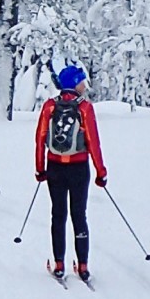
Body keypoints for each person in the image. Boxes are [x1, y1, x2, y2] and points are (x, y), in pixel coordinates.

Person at [34, 62, 106, 281]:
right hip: (79, 168)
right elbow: (93, 142)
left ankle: (58, 264)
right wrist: (100, 171)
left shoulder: (49, 106)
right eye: (81, 81)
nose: (84, 84)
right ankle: (83, 266)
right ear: (75, 84)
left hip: (55, 167)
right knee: (79, 215)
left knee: (58, 215)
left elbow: (40, 139)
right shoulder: (84, 107)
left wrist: (40, 169)